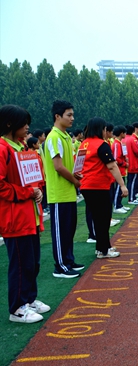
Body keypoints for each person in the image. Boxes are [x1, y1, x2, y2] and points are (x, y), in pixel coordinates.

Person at [1, 104, 50, 323]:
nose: (28, 127)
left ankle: (29, 299)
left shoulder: (20, 147)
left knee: (33, 262)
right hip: (15, 217)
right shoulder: (3, 149)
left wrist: (36, 190)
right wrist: (27, 192)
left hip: (30, 215)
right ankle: (17, 309)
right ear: (10, 124)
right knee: (20, 265)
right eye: (24, 122)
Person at [42, 100, 85, 278]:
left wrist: (76, 176)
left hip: (68, 192)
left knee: (69, 229)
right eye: (69, 115)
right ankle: (60, 266)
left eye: (72, 115)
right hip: (59, 193)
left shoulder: (66, 136)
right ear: (57, 116)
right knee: (60, 232)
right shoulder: (54, 137)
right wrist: (75, 181)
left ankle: (68, 259)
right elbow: (58, 166)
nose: (72, 118)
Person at [79, 117, 127, 259]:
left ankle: (102, 246)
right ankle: (104, 249)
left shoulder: (84, 144)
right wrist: (122, 185)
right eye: (105, 129)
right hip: (99, 185)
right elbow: (112, 165)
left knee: (97, 217)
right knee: (104, 218)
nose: (106, 131)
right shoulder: (102, 145)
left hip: (86, 185)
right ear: (101, 129)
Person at [124, 123, 138, 205]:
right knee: (132, 182)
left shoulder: (123, 139)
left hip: (127, 162)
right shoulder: (133, 139)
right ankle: (131, 198)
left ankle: (133, 197)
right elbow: (137, 151)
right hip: (134, 163)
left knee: (130, 181)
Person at [111, 125, 129, 213]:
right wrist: (125, 163)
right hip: (119, 170)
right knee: (118, 188)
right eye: (124, 133)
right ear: (121, 133)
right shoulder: (116, 144)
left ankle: (120, 204)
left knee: (120, 188)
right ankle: (116, 206)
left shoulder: (120, 143)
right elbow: (116, 159)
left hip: (122, 169)